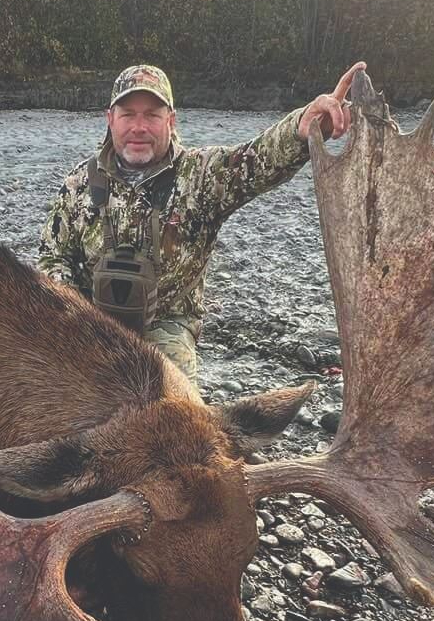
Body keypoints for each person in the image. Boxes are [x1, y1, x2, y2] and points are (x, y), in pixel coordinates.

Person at [37, 61, 366, 385]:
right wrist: (75, 317)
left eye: (151, 115)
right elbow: (53, 258)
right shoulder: (80, 182)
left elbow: (256, 161)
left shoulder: (199, 175)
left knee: (171, 409)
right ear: (110, 119)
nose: (139, 127)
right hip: (90, 322)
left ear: (171, 120)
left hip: (166, 324)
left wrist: (302, 129)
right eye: (128, 115)